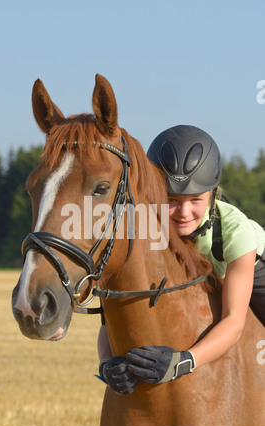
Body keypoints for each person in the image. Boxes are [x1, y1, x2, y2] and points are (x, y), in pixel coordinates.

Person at [97, 125, 265, 395]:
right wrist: (107, 364)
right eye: (172, 199)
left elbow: (234, 321)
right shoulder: (142, 226)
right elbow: (115, 306)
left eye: (196, 199)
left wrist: (183, 362)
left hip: (254, 271)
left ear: (212, 194)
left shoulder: (237, 232)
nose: (184, 213)